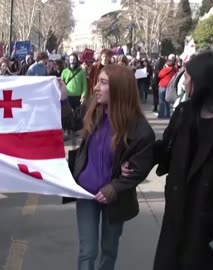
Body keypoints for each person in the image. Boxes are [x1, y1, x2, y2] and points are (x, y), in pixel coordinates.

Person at [148, 52, 213, 270]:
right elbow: (165, 150)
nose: (184, 81)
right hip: (178, 218)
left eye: (188, 76)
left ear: (204, 80)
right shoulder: (183, 113)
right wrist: (136, 150)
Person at [60, 64, 155, 270]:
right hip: (85, 193)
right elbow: (72, 122)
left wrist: (115, 187)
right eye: (97, 81)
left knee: (109, 249)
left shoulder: (140, 129)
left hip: (115, 199)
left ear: (119, 88)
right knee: (88, 251)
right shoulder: (91, 109)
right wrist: (63, 98)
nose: (95, 87)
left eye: (103, 83)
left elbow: (140, 166)